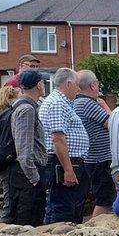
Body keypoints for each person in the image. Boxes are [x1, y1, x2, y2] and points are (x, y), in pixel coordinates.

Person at [39, 67, 90, 224]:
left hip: (68, 161)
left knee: (69, 206)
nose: (79, 88)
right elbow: (58, 138)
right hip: (62, 163)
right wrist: (68, 170)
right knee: (62, 209)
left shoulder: (63, 102)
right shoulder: (57, 104)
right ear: (68, 84)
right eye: (76, 84)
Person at [7, 70, 48, 226]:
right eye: (42, 83)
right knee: (28, 223)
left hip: (23, 174)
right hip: (27, 176)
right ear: (38, 85)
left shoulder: (23, 106)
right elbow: (24, 149)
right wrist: (35, 179)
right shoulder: (27, 109)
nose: (43, 85)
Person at [74, 70, 114, 217]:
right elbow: (112, 124)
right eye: (97, 83)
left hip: (92, 158)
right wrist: (105, 106)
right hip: (100, 159)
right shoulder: (89, 104)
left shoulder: (77, 102)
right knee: (104, 200)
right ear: (92, 85)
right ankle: (94, 230)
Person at [0, 86, 21, 223]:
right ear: (10, 99)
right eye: (18, 95)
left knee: (9, 197)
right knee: (9, 201)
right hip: (10, 161)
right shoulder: (9, 116)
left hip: (2, 160)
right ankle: (3, 229)